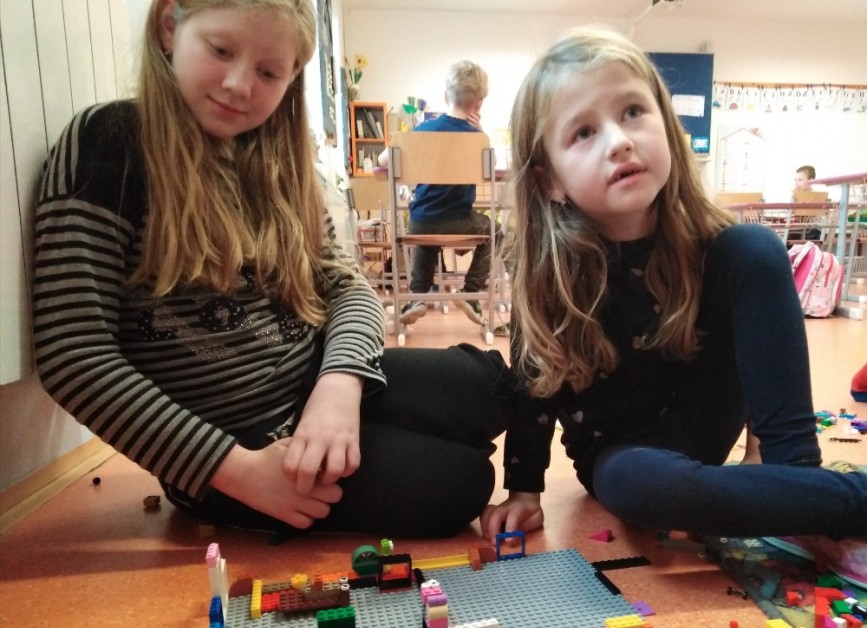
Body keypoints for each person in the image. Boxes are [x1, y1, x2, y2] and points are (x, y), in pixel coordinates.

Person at [31, 0, 515, 539]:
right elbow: (73, 354)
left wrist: (341, 382)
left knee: (493, 385)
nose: (240, 85)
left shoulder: (281, 161)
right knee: (461, 483)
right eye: (221, 50)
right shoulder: (108, 142)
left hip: (311, 378)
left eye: (268, 72)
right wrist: (239, 472)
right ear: (169, 26)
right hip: (234, 446)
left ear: (291, 79)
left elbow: (347, 286)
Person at [479, 26, 867, 586]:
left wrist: (768, 457)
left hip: (705, 420)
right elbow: (533, 388)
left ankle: (799, 487)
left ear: (666, 125)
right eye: (584, 132)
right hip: (624, 456)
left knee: (754, 245)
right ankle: (817, 503)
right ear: (549, 180)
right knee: (647, 491)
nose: (618, 141)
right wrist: (524, 488)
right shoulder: (547, 274)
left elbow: (759, 352)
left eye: (633, 112)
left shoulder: (720, 248)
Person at [393, 60, 500, 328]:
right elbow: (491, 168)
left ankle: (417, 297)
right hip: (459, 222)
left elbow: (387, 158)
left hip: (420, 222)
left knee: (427, 238)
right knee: (497, 232)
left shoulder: (422, 132)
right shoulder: (478, 139)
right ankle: (470, 292)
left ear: (445, 96)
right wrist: (481, 133)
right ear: (479, 104)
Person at [792, 165, 822, 241]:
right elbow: (791, 213)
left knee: (814, 231)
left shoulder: (816, 197)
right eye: (795, 180)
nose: (796, 183)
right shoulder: (795, 196)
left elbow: (819, 215)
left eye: (800, 180)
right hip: (797, 228)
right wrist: (793, 198)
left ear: (811, 181)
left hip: (812, 229)